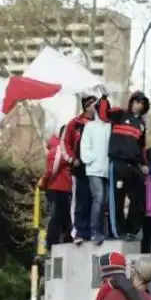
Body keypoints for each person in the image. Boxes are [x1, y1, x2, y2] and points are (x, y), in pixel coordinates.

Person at [104, 92, 150, 240]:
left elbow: (142, 147)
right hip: (118, 162)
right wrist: (105, 98)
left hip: (134, 165)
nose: (139, 106)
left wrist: (144, 164)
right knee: (117, 198)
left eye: (142, 104)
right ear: (131, 102)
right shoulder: (120, 115)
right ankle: (118, 231)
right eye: (137, 102)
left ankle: (132, 230)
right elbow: (104, 114)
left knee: (139, 197)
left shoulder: (141, 124)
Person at [64, 95, 99, 245]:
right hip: (80, 169)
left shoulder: (101, 123)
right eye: (93, 104)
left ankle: (92, 231)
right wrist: (72, 159)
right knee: (80, 201)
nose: (95, 107)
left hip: (96, 168)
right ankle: (78, 232)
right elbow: (65, 143)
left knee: (95, 200)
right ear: (86, 105)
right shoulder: (75, 123)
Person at [80, 102, 112, 244]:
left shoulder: (111, 126)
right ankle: (94, 232)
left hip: (107, 170)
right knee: (98, 198)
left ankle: (103, 230)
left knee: (105, 201)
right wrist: (91, 159)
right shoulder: (90, 126)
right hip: (94, 169)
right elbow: (85, 146)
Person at [40, 126, 74, 246]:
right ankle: (51, 242)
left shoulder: (64, 149)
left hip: (65, 188)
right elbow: (51, 170)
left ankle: (66, 238)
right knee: (57, 215)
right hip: (57, 188)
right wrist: (44, 182)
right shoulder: (60, 150)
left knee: (64, 215)